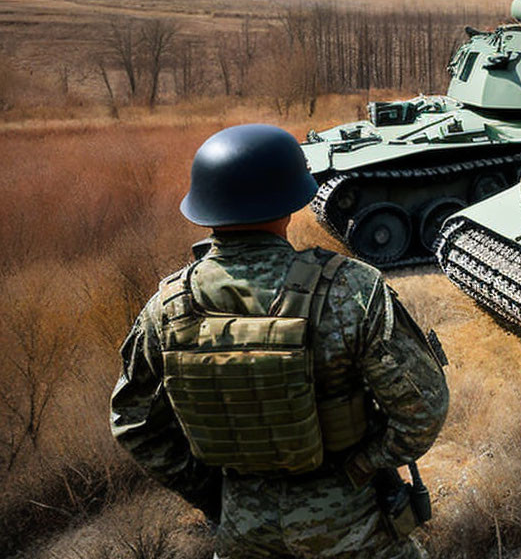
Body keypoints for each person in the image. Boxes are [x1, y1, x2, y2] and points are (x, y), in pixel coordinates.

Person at [110, 124, 449, 559]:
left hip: (242, 528)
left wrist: (217, 494)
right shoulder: (352, 290)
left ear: (205, 207)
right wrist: (365, 466)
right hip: (351, 524)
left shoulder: (168, 307)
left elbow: (132, 422)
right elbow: (423, 410)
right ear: (290, 204)